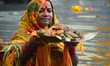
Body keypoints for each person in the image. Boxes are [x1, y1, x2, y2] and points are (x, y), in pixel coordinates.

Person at [0, 0, 84, 66]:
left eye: (49, 11)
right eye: (41, 11)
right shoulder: (22, 35)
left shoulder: (58, 35)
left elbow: (74, 64)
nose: (46, 14)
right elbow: (11, 62)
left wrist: (71, 48)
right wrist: (29, 46)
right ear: (31, 14)